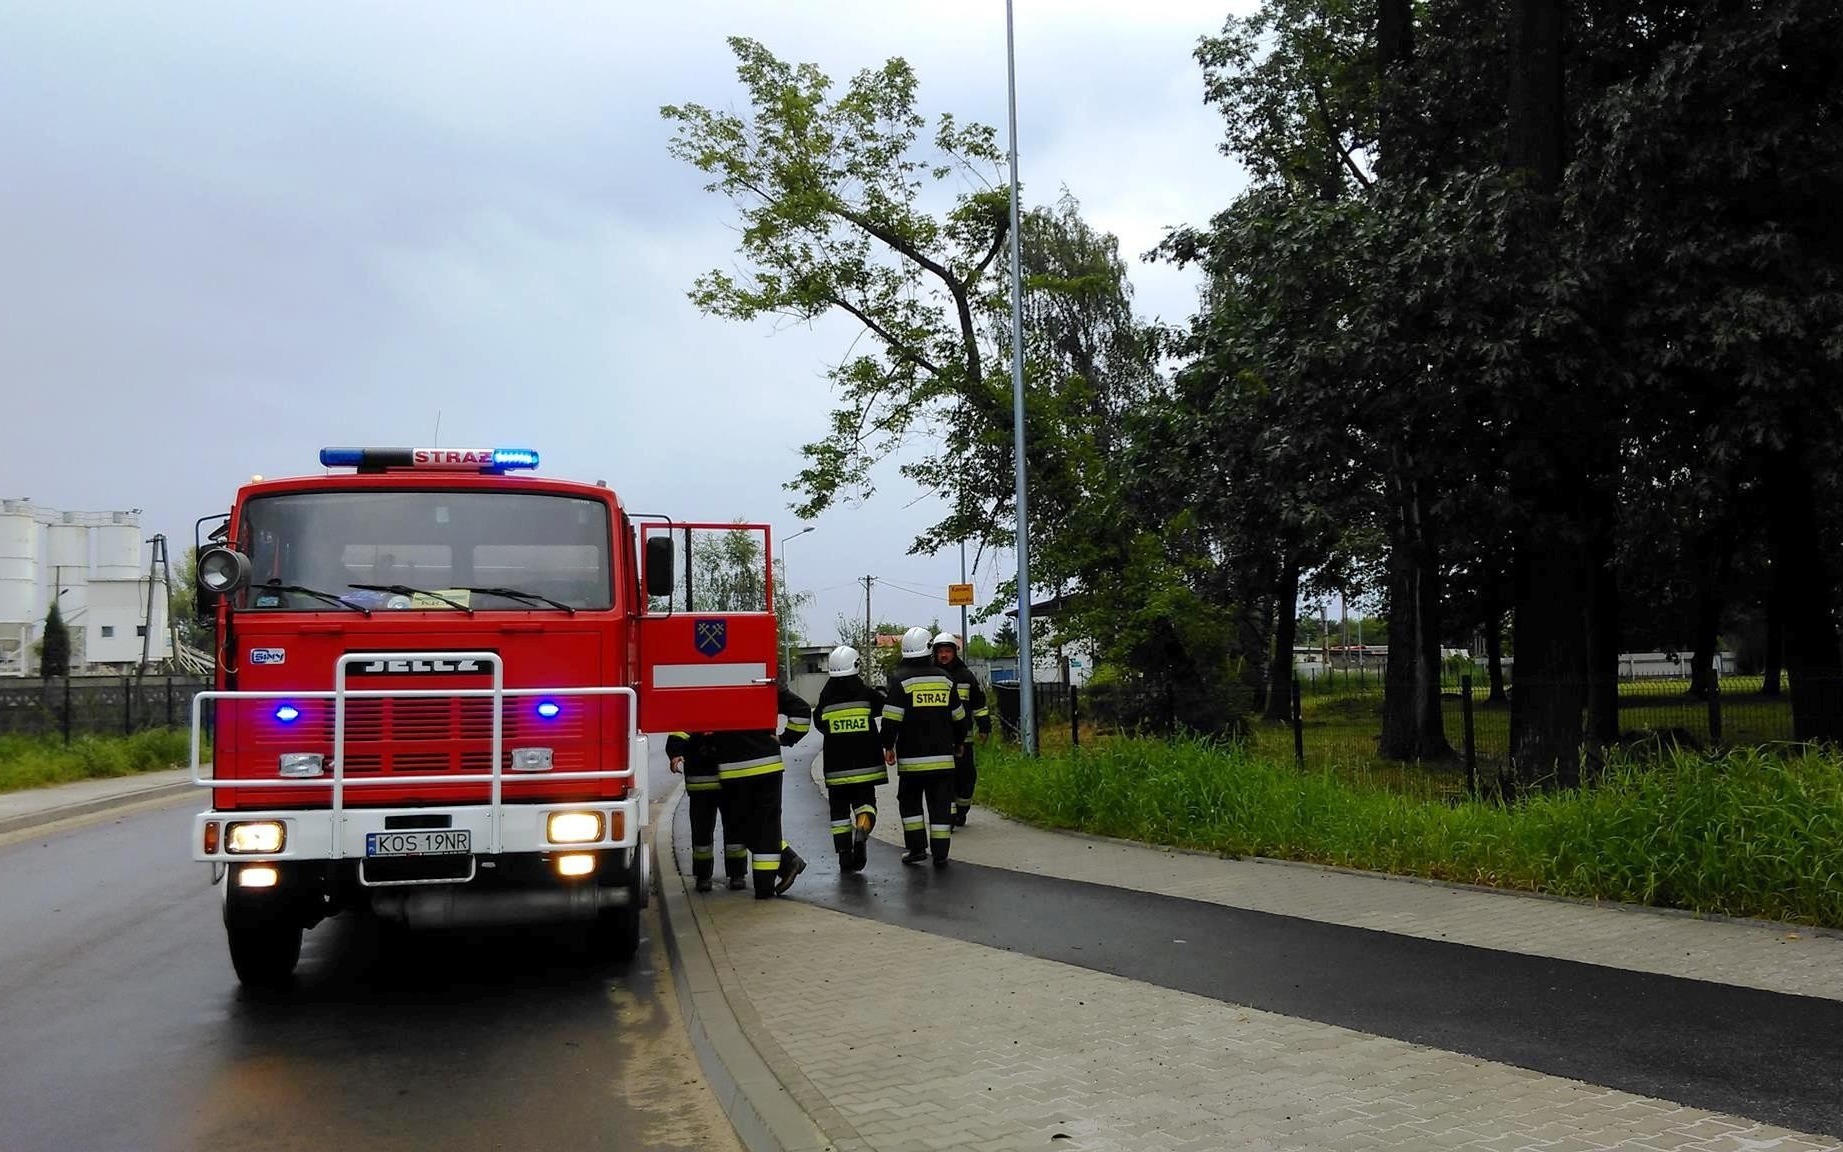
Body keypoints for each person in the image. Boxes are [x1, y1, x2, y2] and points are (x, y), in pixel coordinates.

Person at [709, 683, 813, 899]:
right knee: (766, 826)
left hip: (733, 771)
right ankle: (767, 886)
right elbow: (802, 712)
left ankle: (787, 864)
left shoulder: (716, 683)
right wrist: (786, 739)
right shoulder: (764, 682)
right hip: (768, 767)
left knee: (739, 827)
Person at [881, 626, 967, 869]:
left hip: (911, 762)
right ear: (929, 648)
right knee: (940, 807)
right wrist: (959, 743)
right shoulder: (945, 679)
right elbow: (959, 718)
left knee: (910, 804)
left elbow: (890, 720)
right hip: (943, 760)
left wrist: (888, 746)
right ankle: (940, 854)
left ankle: (917, 849)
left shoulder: (900, 681)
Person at [813, 645, 886, 873]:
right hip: (866, 768)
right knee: (866, 805)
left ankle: (844, 856)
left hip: (836, 770)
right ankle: (862, 830)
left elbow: (819, 723)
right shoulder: (864, 693)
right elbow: (883, 705)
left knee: (839, 814)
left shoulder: (826, 698)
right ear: (855, 666)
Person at [667, 730, 747, 892]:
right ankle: (730, 875)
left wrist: (676, 752)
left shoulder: (694, 706)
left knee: (718, 832)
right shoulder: (695, 708)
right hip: (722, 780)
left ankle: (715, 876)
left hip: (711, 780)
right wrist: (676, 752)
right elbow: (679, 731)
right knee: (725, 831)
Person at [931, 632, 991, 827]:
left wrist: (984, 726)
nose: (944, 655)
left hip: (964, 739)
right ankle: (948, 814)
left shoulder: (965, 676)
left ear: (954, 653)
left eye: (948, 651)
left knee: (966, 776)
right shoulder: (930, 676)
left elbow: (978, 704)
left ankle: (961, 809)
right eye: (940, 652)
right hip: (939, 739)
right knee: (944, 779)